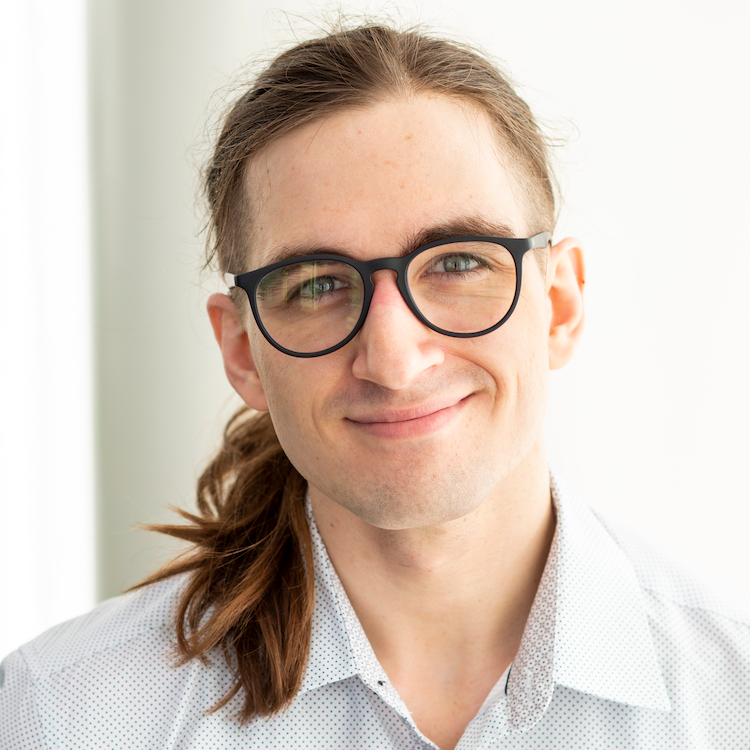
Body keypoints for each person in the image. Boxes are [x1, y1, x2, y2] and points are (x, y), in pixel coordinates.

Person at [1, 21, 749, 750]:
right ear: (240, 350)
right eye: (318, 282)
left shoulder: (732, 697)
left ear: (559, 304)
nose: (392, 360)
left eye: (457, 263)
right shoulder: (61, 715)